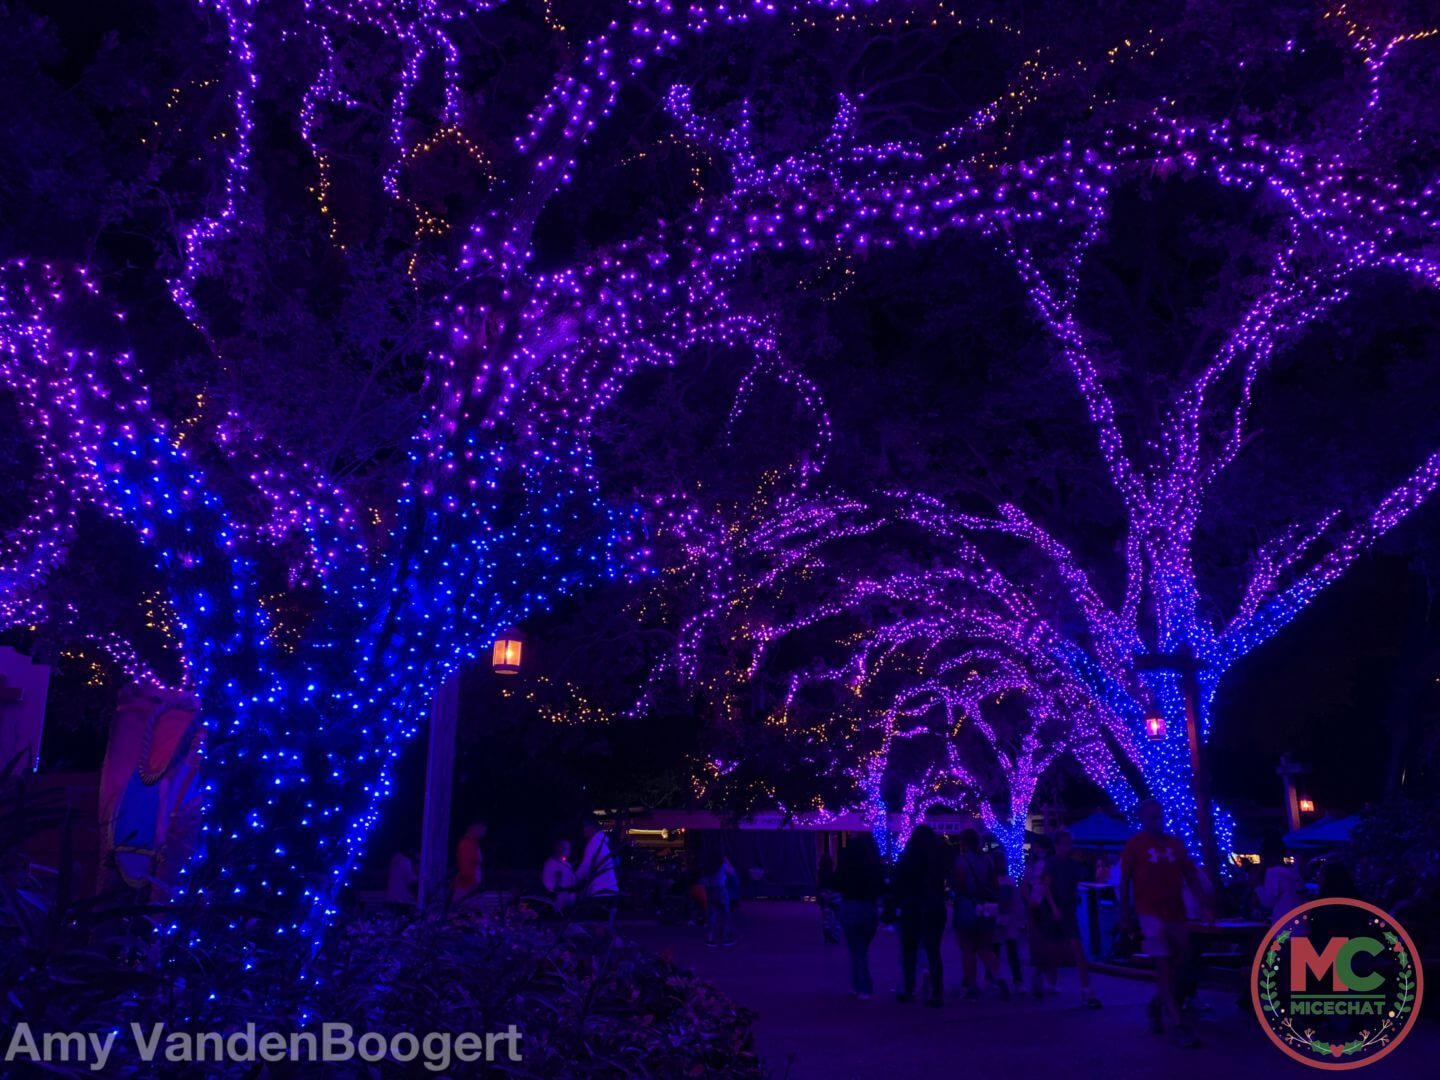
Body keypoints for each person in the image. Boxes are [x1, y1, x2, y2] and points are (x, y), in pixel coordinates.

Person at [1119, 798, 1211, 1048]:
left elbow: (1190, 875)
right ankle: (1179, 1023)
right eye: (1150, 817)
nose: (1155, 821)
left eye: (1158, 816)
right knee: (1163, 965)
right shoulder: (1135, 845)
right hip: (1149, 912)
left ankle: (1159, 1004)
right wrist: (1125, 913)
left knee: (1183, 963)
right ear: (1143, 819)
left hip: (1176, 913)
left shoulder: (1175, 844)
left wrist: (1203, 905)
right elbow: (1125, 880)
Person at [1042, 830, 1100, 1007]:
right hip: (1054, 910)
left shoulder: (1074, 864)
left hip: (1067, 910)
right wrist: (1054, 908)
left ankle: (1086, 989)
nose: (1069, 847)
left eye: (1070, 843)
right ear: (1057, 845)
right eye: (1065, 843)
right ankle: (1051, 981)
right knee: (1053, 948)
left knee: (1077, 949)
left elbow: (1077, 883)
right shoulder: (1051, 863)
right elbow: (1046, 888)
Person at [890, 826, 948, 1006]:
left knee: (909, 950)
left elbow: (898, 885)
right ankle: (937, 992)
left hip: (912, 907)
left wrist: (892, 906)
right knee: (933, 951)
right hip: (936, 907)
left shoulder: (908, 859)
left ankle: (909, 989)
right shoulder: (939, 859)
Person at [952, 828, 1008, 1001]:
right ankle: (1000, 979)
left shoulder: (961, 861)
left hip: (967, 906)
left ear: (964, 842)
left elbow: (959, 886)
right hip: (986, 907)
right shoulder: (988, 860)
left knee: (968, 949)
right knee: (985, 947)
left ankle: (971, 987)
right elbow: (993, 884)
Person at [834, 835, 886, 999]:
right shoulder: (875, 866)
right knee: (862, 949)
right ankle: (859, 984)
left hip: (850, 906)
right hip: (870, 909)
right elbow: (881, 888)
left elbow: (836, 883)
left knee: (856, 950)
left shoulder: (847, 865)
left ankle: (862, 986)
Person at [1024, 834, 1060, 998]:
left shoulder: (1042, 864)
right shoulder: (1043, 863)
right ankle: (1046, 979)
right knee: (1046, 942)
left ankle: (1044, 979)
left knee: (1045, 942)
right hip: (1040, 903)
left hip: (1041, 903)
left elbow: (1026, 884)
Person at [1255, 838, 1304, 922]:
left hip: (1285, 927)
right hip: (1300, 923)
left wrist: (1256, 885)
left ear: (1268, 854)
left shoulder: (1274, 872)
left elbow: (1268, 902)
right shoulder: (1294, 872)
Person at [576, 818, 620, 900]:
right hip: (611, 888)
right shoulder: (602, 843)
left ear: (592, 827)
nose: (583, 829)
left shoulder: (593, 843)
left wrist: (574, 878)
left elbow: (585, 867)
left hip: (600, 890)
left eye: (585, 826)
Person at [702, 850, 739, 946]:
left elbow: (704, 881)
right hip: (721, 892)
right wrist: (727, 862)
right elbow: (733, 873)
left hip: (711, 891)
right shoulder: (723, 866)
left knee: (713, 915)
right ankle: (726, 938)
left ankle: (710, 938)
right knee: (726, 915)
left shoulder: (708, 867)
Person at [541, 837, 578, 912]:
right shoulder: (550, 864)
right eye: (566, 848)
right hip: (558, 898)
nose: (569, 851)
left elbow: (573, 880)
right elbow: (548, 883)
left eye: (569, 848)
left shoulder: (568, 864)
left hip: (570, 897)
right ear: (558, 848)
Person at [453, 822, 487, 900]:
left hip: (470, 884)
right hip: (466, 884)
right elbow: (464, 865)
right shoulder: (467, 844)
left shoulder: (473, 843)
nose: (483, 832)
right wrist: (468, 880)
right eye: (481, 829)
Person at [817, 851, 841, 944]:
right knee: (837, 916)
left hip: (824, 894)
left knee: (826, 915)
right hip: (834, 895)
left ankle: (827, 929)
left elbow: (819, 886)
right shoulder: (834, 873)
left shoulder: (821, 874)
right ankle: (835, 933)